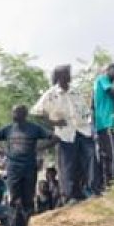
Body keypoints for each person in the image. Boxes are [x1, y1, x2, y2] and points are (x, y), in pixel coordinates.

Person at [0, 105, 59, 226]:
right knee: (14, 198)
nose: (14, 114)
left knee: (28, 198)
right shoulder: (8, 129)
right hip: (13, 168)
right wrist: (2, 150)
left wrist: (39, 148)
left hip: (29, 167)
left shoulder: (34, 128)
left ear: (24, 114)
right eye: (13, 112)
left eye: (17, 112)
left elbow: (55, 138)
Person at [31, 64, 94, 204]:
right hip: (65, 133)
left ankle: (89, 189)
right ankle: (69, 195)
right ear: (60, 76)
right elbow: (36, 112)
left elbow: (85, 109)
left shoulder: (75, 91)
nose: (70, 76)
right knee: (67, 164)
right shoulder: (51, 94)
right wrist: (52, 122)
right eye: (67, 73)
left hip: (82, 130)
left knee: (88, 160)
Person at [93, 63, 114, 188]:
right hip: (106, 122)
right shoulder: (102, 79)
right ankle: (112, 183)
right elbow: (113, 92)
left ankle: (112, 182)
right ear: (107, 70)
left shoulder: (109, 81)